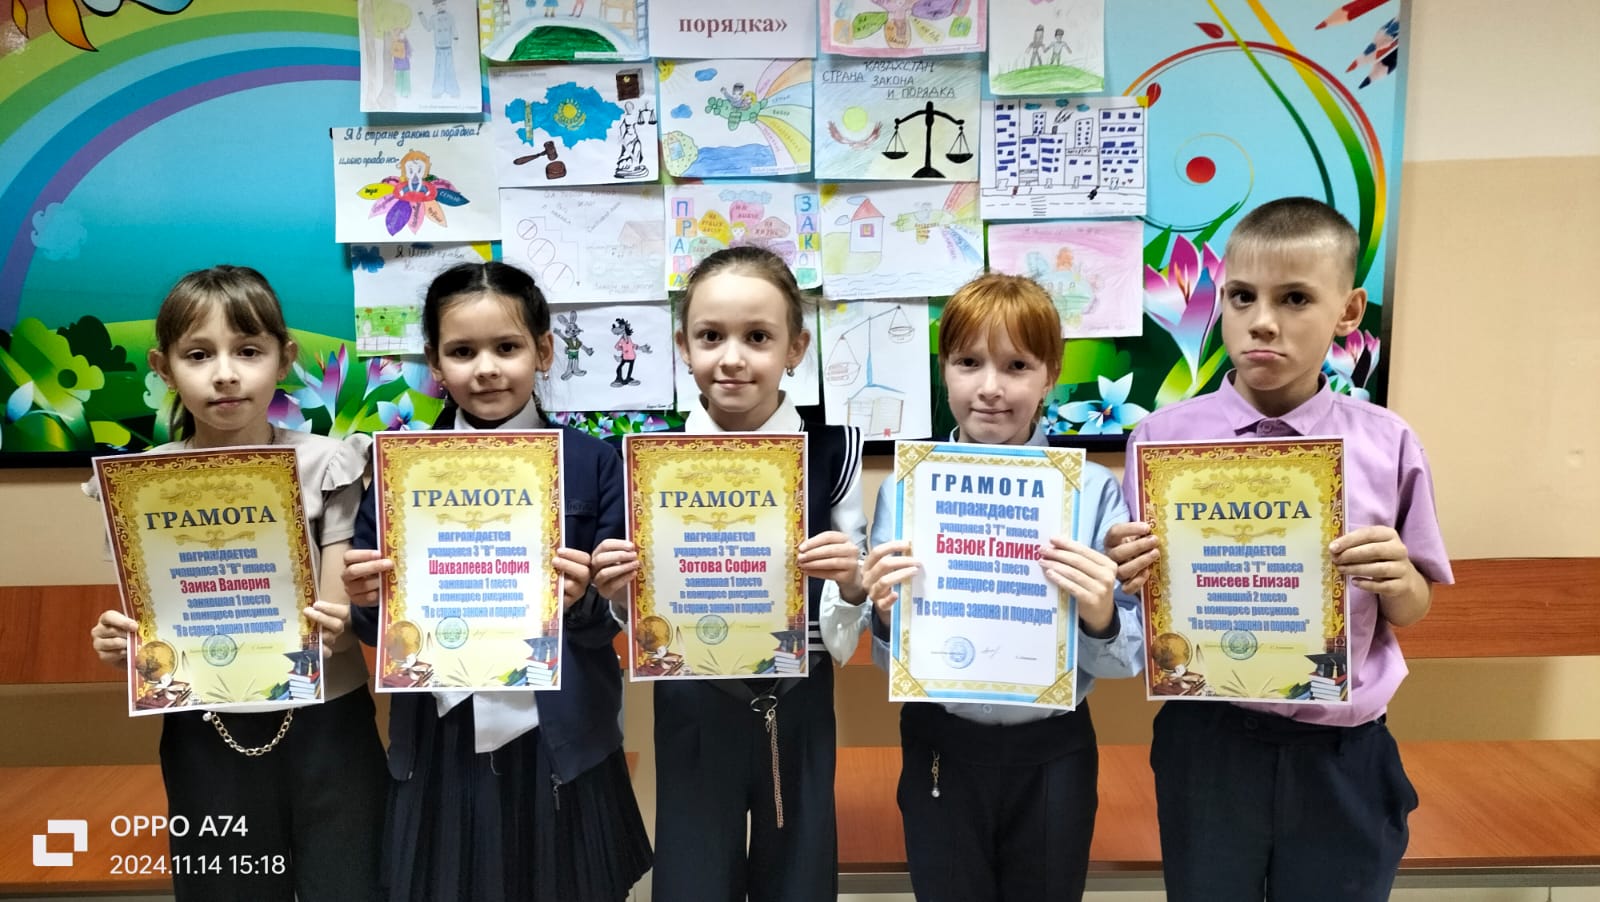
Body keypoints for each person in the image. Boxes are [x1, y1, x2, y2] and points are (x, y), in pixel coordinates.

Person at [1108, 196, 1452, 902]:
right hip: (1210, 741)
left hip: (1342, 752)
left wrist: (1398, 579)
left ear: (1348, 311)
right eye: (1241, 296)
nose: (1262, 321)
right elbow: (1135, 602)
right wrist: (1124, 570)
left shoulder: (1386, 442)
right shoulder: (1162, 441)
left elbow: (1413, 608)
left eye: (1295, 298)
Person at [340, 261, 650, 902]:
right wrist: (368, 601)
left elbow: (616, 616)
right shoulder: (398, 469)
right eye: (462, 352)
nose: (486, 369)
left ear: (543, 351)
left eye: (507, 348)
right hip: (439, 735)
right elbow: (374, 626)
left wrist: (585, 599)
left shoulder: (593, 463)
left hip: (562, 735)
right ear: (435, 361)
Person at [828, 273, 1143, 902]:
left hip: (1055, 750)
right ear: (944, 371)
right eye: (969, 363)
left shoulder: (1092, 492)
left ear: (1051, 375)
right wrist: (884, 615)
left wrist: (1100, 613)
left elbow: (1124, 661)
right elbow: (890, 659)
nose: (991, 388)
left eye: (1017, 366)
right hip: (941, 746)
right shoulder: (908, 490)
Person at [87, 265, 386, 901]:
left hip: (328, 723)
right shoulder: (140, 483)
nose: (225, 374)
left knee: (349, 884)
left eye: (248, 351)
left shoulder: (328, 462)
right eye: (199, 355)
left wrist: (338, 620)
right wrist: (121, 643)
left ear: (284, 359)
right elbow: (152, 616)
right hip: (204, 726)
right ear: (164, 368)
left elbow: (335, 624)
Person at [589, 246, 867, 902]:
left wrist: (852, 584)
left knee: (799, 878)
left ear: (796, 348)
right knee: (693, 878)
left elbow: (850, 612)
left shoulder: (835, 450)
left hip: (799, 693)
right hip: (692, 697)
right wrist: (620, 593)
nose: (732, 358)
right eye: (711, 336)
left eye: (758, 337)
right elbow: (636, 608)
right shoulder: (649, 458)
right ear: (683, 346)